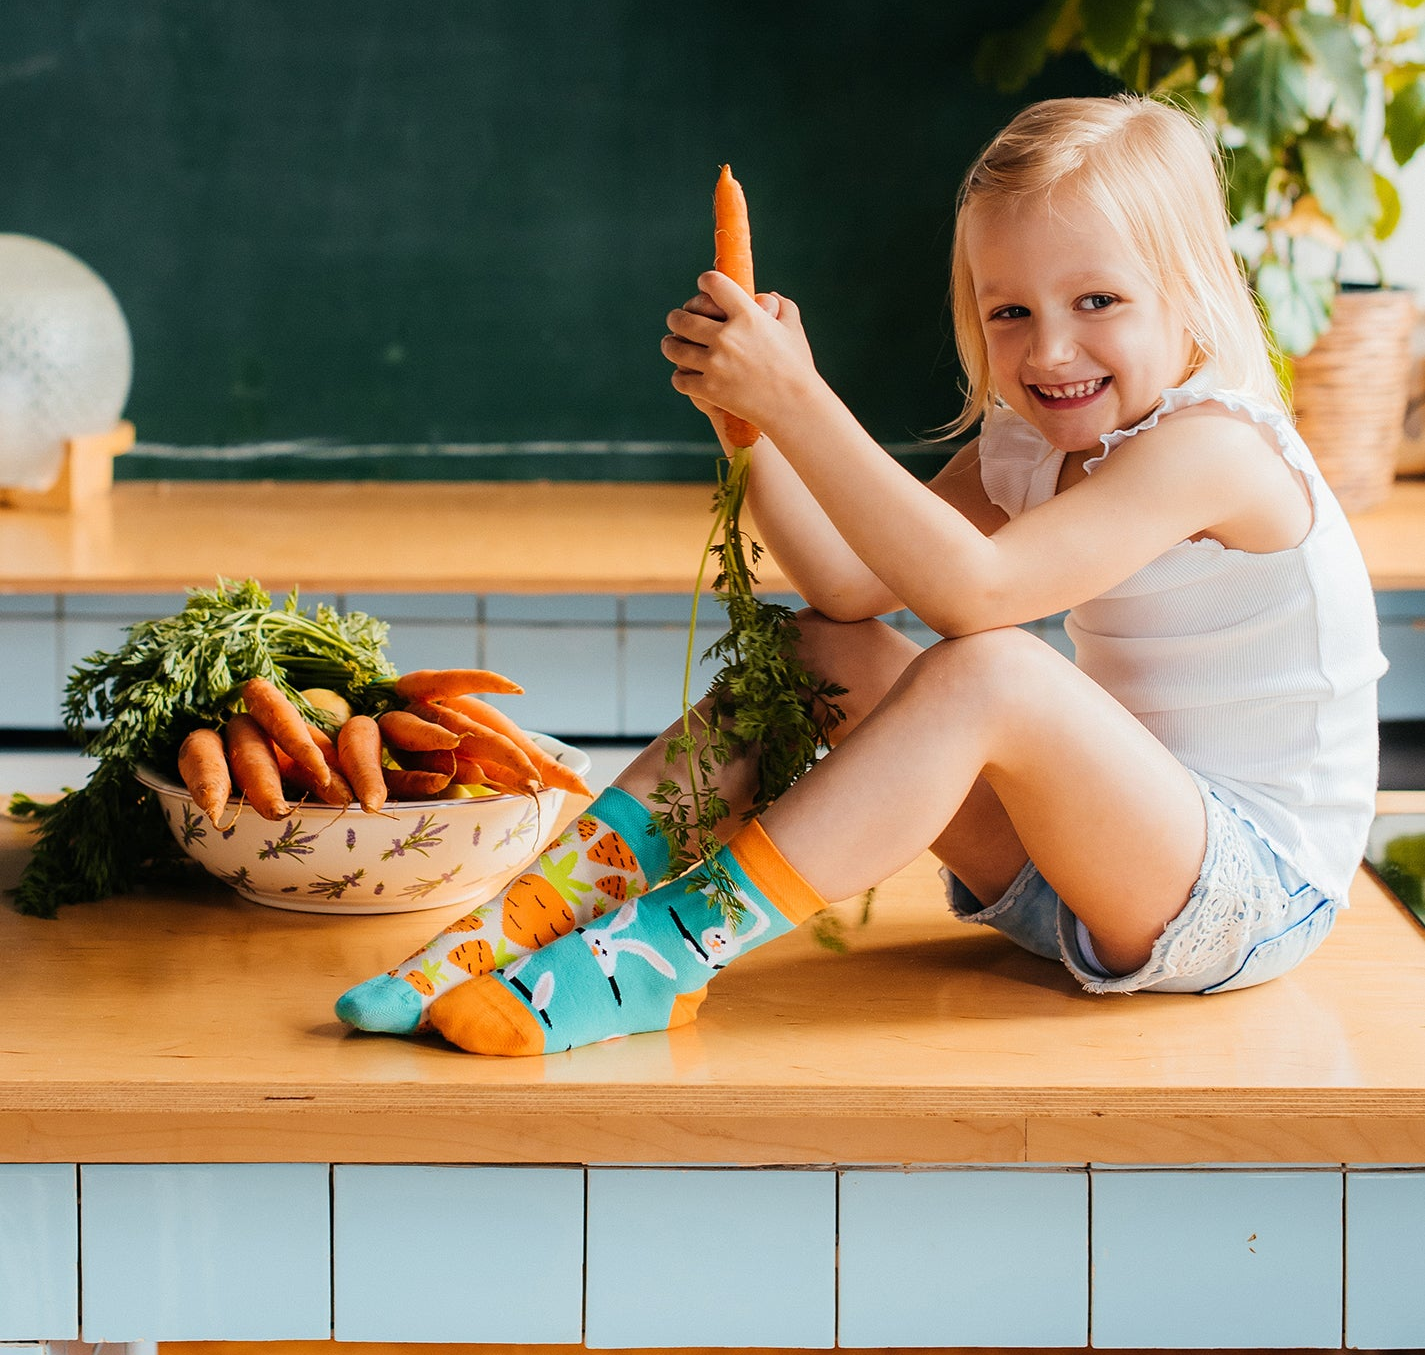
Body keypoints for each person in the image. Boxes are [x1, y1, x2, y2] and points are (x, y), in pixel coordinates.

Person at [336, 94, 1387, 1055]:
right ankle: (519, 921)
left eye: (1098, 299)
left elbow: (973, 593)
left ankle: (667, 953)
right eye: (1009, 310)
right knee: (814, 647)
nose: (1048, 348)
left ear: (1192, 295)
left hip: (1247, 895)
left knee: (993, 670)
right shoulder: (1028, 443)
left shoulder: (1213, 449)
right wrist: (756, 428)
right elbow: (849, 585)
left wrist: (804, 400)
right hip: (1077, 872)